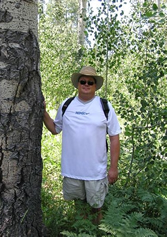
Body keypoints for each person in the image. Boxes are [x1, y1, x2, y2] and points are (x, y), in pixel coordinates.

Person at [43, 66, 121, 224]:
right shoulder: (67, 104)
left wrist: (113, 167)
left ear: (95, 85)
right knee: (79, 208)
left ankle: (95, 233)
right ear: (78, 84)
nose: (86, 84)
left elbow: (114, 137)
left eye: (90, 82)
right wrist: (43, 112)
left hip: (95, 172)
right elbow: (55, 129)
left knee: (96, 208)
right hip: (72, 171)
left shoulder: (104, 106)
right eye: (83, 81)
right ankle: (82, 232)